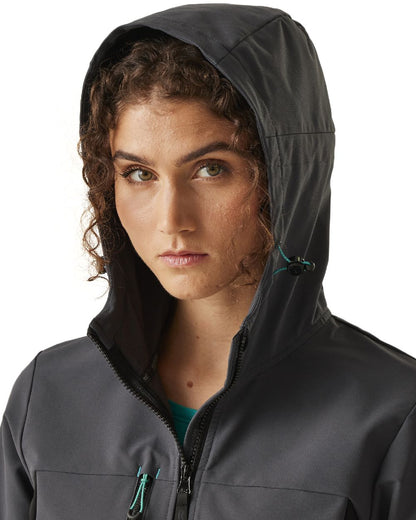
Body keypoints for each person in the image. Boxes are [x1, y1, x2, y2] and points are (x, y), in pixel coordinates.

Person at [1, 4, 415, 519]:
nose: (172, 220)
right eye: (139, 174)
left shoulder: (392, 415)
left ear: (285, 175)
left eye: (211, 169)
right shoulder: (48, 396)